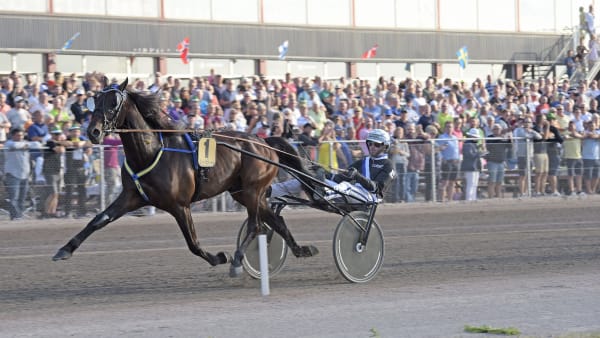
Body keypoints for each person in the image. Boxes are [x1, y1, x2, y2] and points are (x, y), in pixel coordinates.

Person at [269, 129, 395, 204]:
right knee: (305, 179)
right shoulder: (363, 161)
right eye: (370, 144)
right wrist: (322, 172)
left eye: (377, 145)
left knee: (346, 186)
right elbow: (337, 178)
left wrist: (357, 176)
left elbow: (376, 189)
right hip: (350, 194)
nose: (372, 147)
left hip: (368, 198)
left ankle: (323, 192)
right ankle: (270, 191)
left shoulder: (388, 165)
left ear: (385, 146)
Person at [3, 127, 41, 220]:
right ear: (12, 135)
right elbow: (14, 146)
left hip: (25, 174)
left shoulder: (24, 143)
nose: (20, 137)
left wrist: (25, 144)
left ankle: (19, 215)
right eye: (18, 135)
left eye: (22, 135)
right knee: (14, 197)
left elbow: (37, 144)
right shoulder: (8, 143)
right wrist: (26, 145)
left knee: (22, 197)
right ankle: (15, 216)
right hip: (13, 174)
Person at [63, 124, 92, 218]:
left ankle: (82, 211)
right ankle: (68, 212)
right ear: (70, 132)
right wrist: (81, 144)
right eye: (74, 131)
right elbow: (69, 144)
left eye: (77, 131)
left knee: (82, 190)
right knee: (69, 191)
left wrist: (86, 147)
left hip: (81, 167)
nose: (76, 133)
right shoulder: (67, 139)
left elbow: (90, 144)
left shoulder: (82, 139)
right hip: (70, 168)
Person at [41, 127, 66, 218]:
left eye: (59, 134)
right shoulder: (50, 142)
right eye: (56, 134)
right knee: (53, 193)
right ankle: (46, 212)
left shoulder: (58, 143)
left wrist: (62, 143)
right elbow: (59, 150)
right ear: (52, 135)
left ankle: (52, 212)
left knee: (57, 194)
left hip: (58, 170)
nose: (58, 136)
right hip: (50, 171)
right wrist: (62, 144)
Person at [485, 124, 513, 198]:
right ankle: (490, 197)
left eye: (498, 129)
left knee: (499, 182)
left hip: (501, 162)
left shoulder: (503, 138)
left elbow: (510, 146)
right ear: (492, 130)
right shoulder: (490, 138)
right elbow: (489, 146)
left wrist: (510, 139)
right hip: (492, 162)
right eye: (495, 129)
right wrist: (500, 138)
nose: (497, 130)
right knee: (492, 181)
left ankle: (498, 197)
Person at [461, 128, 485, 201]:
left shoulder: (472, 145)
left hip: (474, 167)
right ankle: (469, 199)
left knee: (474, 184)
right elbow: (470, 155)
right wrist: (479, 153)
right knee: (470, 184)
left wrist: (478, 149)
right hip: (470, 167)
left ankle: (473, 198)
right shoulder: (468, 144)